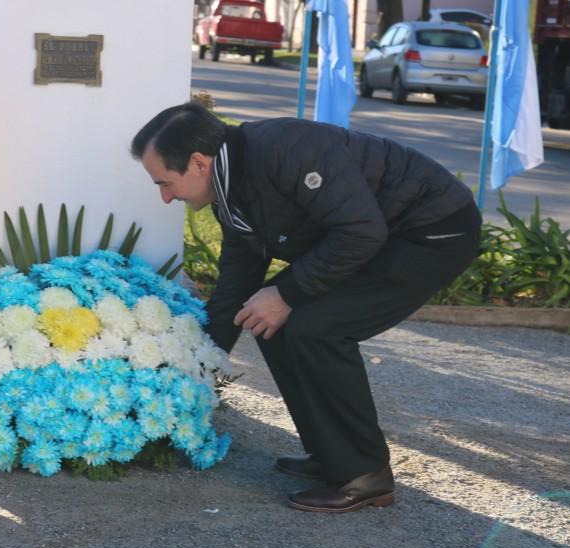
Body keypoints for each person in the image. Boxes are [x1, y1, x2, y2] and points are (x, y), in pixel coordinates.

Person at [130, 103, 481, 513]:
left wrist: (286, 295)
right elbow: (234, 289)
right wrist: (196, 371)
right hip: (375, 235)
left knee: (316, 328)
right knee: (265, 319)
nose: (165, 197)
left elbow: (361, 231)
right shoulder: (229, 189)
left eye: (166, 183)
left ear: (198, 162)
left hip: (432, 230)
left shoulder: (285, 149)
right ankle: (334, 455)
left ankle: (366, 476)